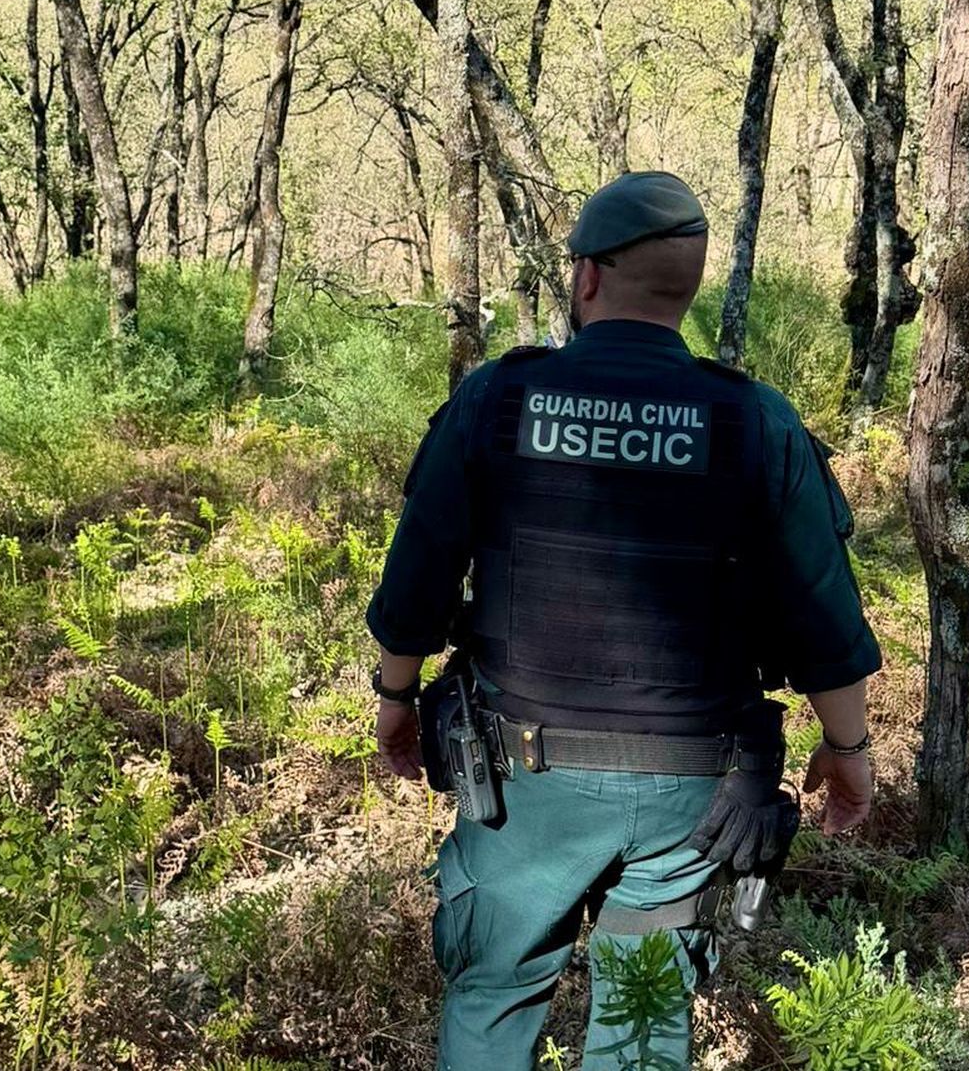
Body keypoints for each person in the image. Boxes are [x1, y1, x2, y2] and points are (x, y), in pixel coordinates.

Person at [365, 170, 880, 1069]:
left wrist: (395, 696)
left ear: (587, 278)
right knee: (642, 1028)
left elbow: (415, 586)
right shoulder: (755, 422)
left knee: (492, 997)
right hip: (697, 792)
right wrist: (850, 753)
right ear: (687, 290)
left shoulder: (496, 401)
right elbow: (823, 621)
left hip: (523, 789)